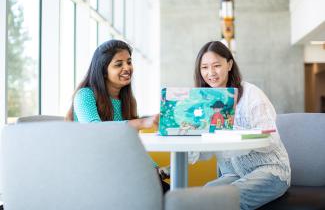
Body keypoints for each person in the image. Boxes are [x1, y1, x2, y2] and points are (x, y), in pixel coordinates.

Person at [190, 41, 290, 210]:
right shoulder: (203, 102)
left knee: (224, 200)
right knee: (204, 196)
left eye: (216, 66)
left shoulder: (251, 94)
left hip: (270, 171)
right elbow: (204, 152)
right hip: (233, 174)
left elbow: (271, 140)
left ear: (229, 64)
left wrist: (230, 130)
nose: (211, 73)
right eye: (204, 67)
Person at [65, 39, 169, 193]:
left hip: (121, 172)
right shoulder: (85, 95)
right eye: (118, 64)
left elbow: (131, 147)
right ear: (103, 71)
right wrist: (140, 123)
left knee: (170, 194)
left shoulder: (126, 101)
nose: (127, 68)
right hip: (93, 174)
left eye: (129, 62)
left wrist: (154, 168)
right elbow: (94, 129)